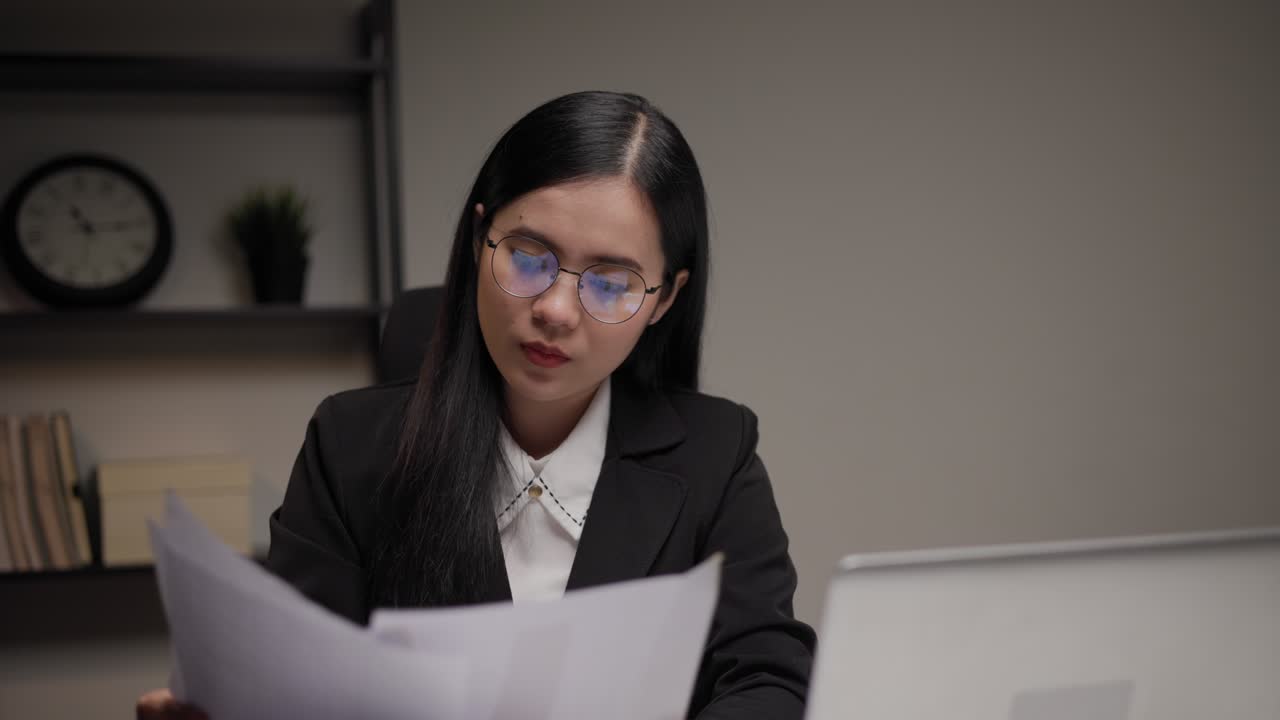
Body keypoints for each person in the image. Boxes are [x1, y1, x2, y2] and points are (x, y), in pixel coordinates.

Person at [137, 90, 814, 719]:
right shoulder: (351, 446)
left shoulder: (714, 453)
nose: (553, 310)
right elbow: (289, 682)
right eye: (528, 257)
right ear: (478, 238)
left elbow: (768, 679)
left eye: (611, 283)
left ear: (663, 299)